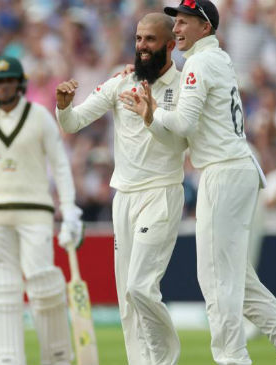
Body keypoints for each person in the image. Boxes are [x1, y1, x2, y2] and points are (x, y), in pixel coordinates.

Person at [119, 2, 276, 365]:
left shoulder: (199, 62)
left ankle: (232, 359)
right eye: (174, 22)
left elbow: (183, 124)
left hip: (222, 172)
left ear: (205, 28)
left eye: (183, 23)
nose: (175, 29)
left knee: (215, 280)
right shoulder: (218, 59)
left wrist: (152, 113)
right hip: (237, 168)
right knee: (239, 280)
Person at [56, 13, 187, 365]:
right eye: (139, 39)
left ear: (171, 45)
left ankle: (165, 359)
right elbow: (74, 123)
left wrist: (151, 116)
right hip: (124, 197)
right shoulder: (121, 82)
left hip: (160, 193)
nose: (142, 46)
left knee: (140, 287)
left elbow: (179, 145)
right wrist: (63, 106)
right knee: (126, 299)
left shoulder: (184, 86)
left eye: (151, 40)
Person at [0, 55, 81, 365]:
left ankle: (58, 356)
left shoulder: (40, 116)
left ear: (20, 84)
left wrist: (71, 209)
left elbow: (60, 166)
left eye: (9, 81)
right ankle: (8, 360)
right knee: (3, 288)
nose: (4, 86)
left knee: (43, 283)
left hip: (36, 209)